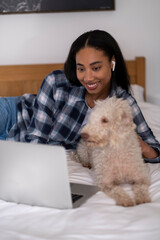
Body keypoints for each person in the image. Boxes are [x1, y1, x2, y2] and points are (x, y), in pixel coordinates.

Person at [0, 29, 160, 163]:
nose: (88, 78)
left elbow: (155, 150)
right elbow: (37, 136)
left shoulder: (123, 103)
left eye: (96, 68)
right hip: (12, 114)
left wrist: (137, 144)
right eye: (81, 69)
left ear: (112, 63)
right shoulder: (56, 82)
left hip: (15, 142)